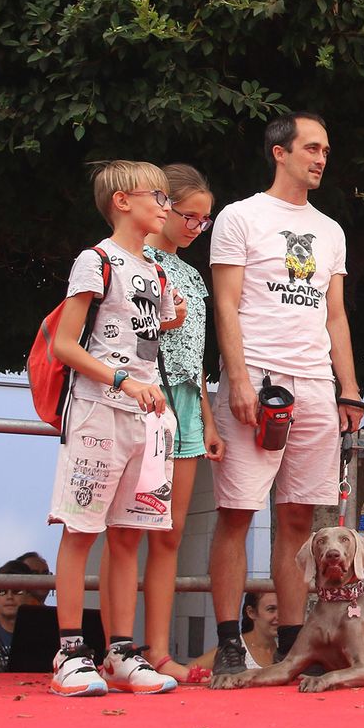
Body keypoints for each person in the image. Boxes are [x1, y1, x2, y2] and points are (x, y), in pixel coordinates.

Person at [208, 111, 364, 682]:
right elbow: (225, 304)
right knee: (237, 510)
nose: (322, 158)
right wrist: (241, 378)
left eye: (327, 150)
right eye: (312, 148)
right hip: (259, 376)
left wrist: (348, 389)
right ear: (280, 152)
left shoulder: (331, 230)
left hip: (317, 382)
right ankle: (229, 640)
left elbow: (336, 314)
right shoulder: (239, 217)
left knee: (300, 515)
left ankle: (296, 646)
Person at [43, 160, 180, 697]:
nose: (166, 207)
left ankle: (122, 651)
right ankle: (70, 650)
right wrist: (123, 380)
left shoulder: (156, 267)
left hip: (147, 415)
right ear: (122, 201)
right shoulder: (94, 260)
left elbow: (156, 325)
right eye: (158, 196)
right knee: (82, 530)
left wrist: (172, 319)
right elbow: (65, 344)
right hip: (100, 410)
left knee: (130, 534)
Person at [123, 162, 224, 685]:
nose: (194, 227)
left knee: (169, 530)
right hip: (139, 396)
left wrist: (207, 418)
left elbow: (196, 356)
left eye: (204, 221)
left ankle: (158, 651)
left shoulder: (192, 274)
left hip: (185, 402)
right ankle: (119, 647)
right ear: (162, 206)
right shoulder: (133, 262)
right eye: (188, 215)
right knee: (126, 527)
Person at [0, 560, 35, 670]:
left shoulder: (41, 632)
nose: (9, 596)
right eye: (2, 591)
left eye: (17, 591)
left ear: (29, 596)